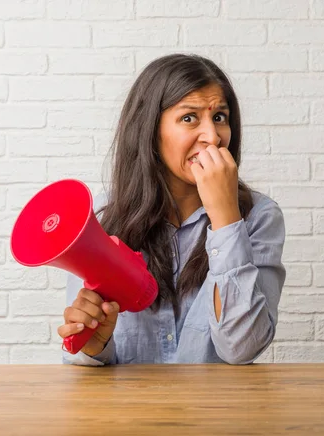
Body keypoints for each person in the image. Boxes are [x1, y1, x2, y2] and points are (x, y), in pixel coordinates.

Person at [58, 54, 286, 366]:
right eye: (189, 118)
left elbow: (242, 348)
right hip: (127, 412)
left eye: (219, 117)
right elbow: (81, 357)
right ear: (150, 129)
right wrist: (95, 346)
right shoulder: (103, 216)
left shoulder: (259, 217)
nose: (213, 136)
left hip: (218, 412)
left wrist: (226, 218)